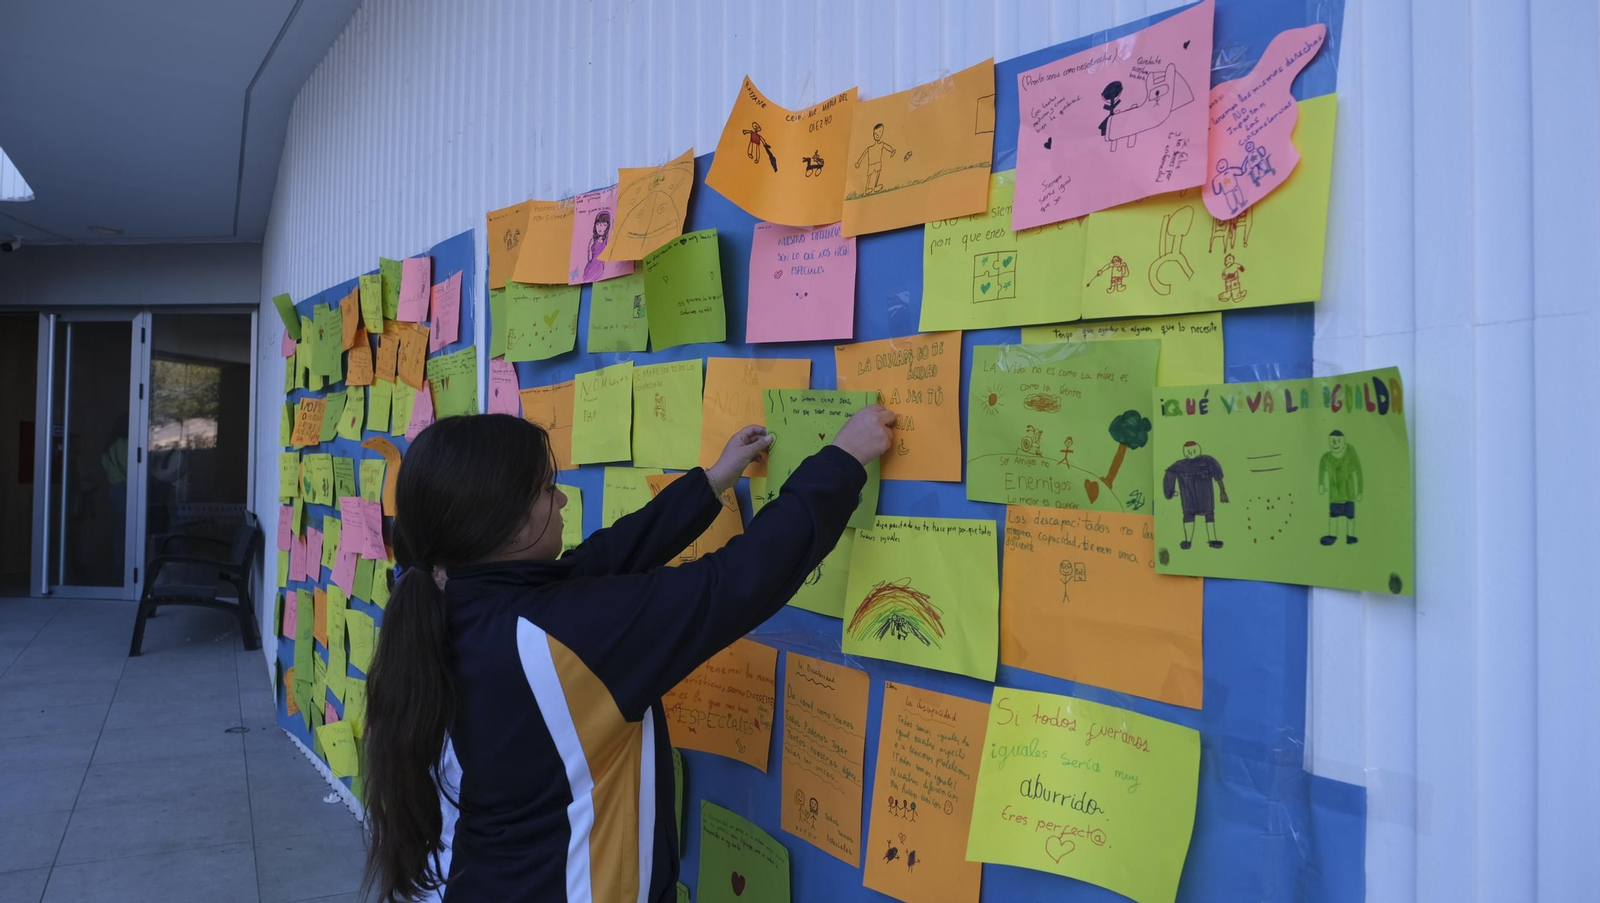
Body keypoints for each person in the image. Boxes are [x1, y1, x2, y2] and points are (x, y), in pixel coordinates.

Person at [362, 407, 894, 903]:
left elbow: (598, 562)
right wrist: (842, 461)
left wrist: (710, 485)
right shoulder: (560, 639)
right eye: (549, 491)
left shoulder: (457, 604)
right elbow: (735, 583)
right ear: (508, 526)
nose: (563, 500)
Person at [1162, 440, 1228, 549]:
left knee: (1208, 515)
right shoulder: (1180, 465)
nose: (1191, 453)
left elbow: (1218, 475)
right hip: (1190, 498)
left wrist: (1222, 490)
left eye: (1193, 450)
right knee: (1189, 515)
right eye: (1189, 451)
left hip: (1204, 497)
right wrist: (1169, 491)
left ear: (1198, 450)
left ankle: (1212, 539)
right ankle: (1188, 541)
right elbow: (1169, 473)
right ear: (1185, 452)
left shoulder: (1208, 461)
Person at [1318, 429, 1363, 545]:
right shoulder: (1327, 457)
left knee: (1350, 516)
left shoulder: (1350, 453)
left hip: (1349, 494)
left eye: (1338, 441)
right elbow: (1321, 470)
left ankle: (1351, 536)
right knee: (1333, 515)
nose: (1335, 444)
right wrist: (1321, 484)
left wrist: (1360, 491)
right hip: (1334, 495)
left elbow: (1358, 471)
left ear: (1343, 441)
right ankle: (1332, 535)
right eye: (1333, 441)